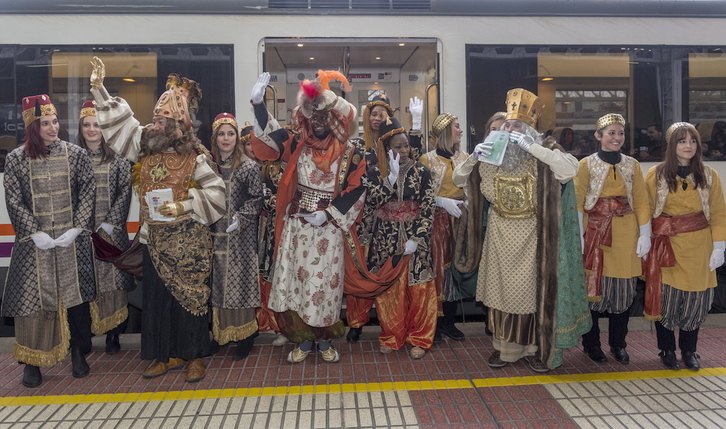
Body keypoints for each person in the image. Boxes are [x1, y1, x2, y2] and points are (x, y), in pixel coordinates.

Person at [89, 57, 226, 382]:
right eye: (155, 119)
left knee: (190, 303)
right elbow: (122, 127)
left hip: (189, 247)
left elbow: (218, 195)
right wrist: (98, 90)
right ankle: (165, 355)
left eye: (162, 121)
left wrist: (185, 206)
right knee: (157, 304)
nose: (155, 124)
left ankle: (194, 357)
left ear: (179, 125)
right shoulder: (144, 147)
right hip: (154, 244)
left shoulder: (197, 158)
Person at [452, 88, 591, 372]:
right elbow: (458, 179)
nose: (510, 129)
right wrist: (474, 157)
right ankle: (505, 350)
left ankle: (535, 349)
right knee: (501, 295)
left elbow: (569, 171)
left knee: (533, 294)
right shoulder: (492, 156)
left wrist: (531, 147)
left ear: (528, 129)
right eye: (506, 126)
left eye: (517, 125)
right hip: (500, 235)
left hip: (534, 237)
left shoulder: (544, 150)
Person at [249, 71, 366, 363]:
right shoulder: (297, 143)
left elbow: (357, 188)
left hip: (328, 228)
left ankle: (325, 340)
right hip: (298, 226)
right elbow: (272, 137)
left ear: (336, 118)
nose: (318, 120)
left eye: (325, 115)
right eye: (313, 115)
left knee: (326, 285)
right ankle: (302, 340)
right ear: (305, 117)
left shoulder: (351, 151)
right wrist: (258, 106)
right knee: (298, 284)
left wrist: (327, 214)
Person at [2, 94, 96, 387]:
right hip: (34, 246)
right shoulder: (16, 159)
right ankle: (32, 361)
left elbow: (88, 192)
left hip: (71, 243)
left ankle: (78, 352)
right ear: (33, 125)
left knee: (75, 301)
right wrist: (33, 232)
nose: (53, 127)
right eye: (46, 123)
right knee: (32, 304)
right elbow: (14, 200)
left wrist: (77, 228)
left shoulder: (76, 154)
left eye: (55, 121)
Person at [644, 122, 726, 371]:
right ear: (672, 145)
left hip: (699, 246)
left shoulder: (709, 175)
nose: (688, 145)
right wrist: (643, 237)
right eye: (682, 141)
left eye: (692, 141)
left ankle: (690, 350)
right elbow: (645, 209)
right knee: (666, 300)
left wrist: (719, 247)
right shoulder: (656, 174)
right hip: (666, 246)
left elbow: (719, 213)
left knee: (695, 301)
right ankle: (667, 349)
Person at [575, 113, 651, 365]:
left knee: (623, 294)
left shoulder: (632, 164)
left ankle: (618, 344)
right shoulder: (585, 164)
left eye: (620, 133)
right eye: (611, 133)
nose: (617, 137)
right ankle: (592, 344)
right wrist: (579, 235)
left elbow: (640, 200)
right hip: (595, 233)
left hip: (626, 235)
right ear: (598, 136)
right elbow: (577, 201)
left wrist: (645, 233)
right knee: (593, 293)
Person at [366, 116, 436, 358]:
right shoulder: (375, 172)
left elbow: (428, 208)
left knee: (419, 287)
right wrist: (391, 180)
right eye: (398, 146)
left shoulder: (422, 172)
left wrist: (417, 238)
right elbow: (372, 201)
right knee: (389, 289)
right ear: (387, 148)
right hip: (385, 239)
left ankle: (419, 337)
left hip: (416, 238)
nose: (404, 150)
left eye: (406, 145)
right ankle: (392, 336)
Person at [76, 100, 134, 355]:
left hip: (112, 233)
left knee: (114, 285)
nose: (92, 129)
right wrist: (82, 226)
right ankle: (86, 332)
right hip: (83, 234)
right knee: (88, 283)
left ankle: (114, 335)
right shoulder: (73, 158)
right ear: (80, 128)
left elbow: (125, 192)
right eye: (87, 125)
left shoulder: (119, 158)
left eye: (96, 125)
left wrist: (111, 223)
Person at [209, 113, 263, 361]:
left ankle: (245, 336)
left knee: (240, 283)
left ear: (237, 138)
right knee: (218, 284)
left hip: (240, 236)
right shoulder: (208, 166)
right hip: (214, 235)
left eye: (230, 133)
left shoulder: (248, 166)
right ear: (215, 138)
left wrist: (240, 219)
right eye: (222, 134)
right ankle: (222, 335)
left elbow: (256, 198)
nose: (226, 138)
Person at [344, 94, 395, 343]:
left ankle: (390, 324)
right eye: (374, 114)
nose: (378, 119)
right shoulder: (356, 146)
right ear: (366, 117)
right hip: (361, 218)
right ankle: (355, 322)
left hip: (389, 219)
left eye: (383, 115)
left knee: (384, 270)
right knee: (360, 270)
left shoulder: (395, 143)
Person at [419, 112, 469, 342]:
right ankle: (435, 324)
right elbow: (420, 194)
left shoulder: (466, 158)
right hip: (436, 223)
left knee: (455, 273)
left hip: (461, 220)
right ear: (446, 131)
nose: (460, 130)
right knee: (438, 271)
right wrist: (441, 201)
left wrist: (467, 201)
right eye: (457, 126)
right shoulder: (427, 160)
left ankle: (450, 322)